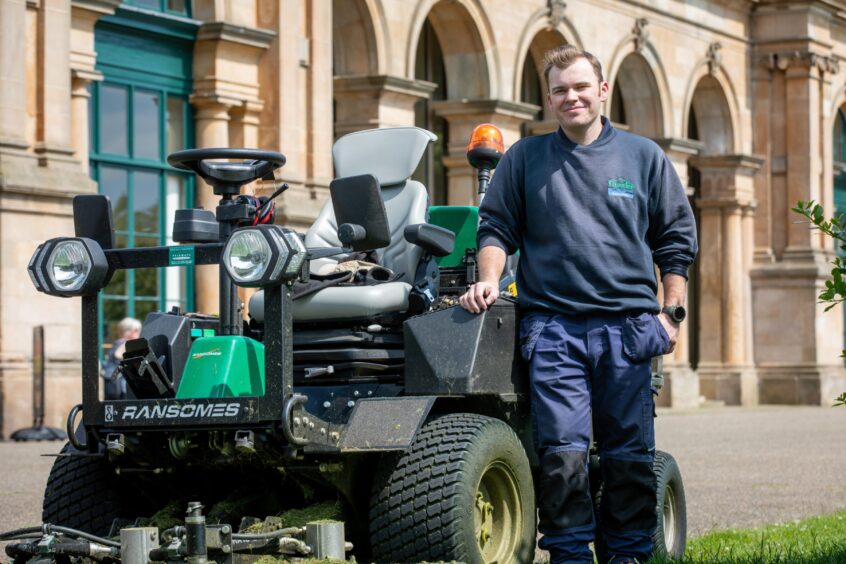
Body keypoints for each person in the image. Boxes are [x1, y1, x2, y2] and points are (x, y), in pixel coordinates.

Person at [459, 44, 697, 563]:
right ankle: (569, 554)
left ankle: (628, 553)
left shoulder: (643, 157)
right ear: (549, 98)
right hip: (555, 330)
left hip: (628, 329)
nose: (572, 97)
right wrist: (490, 281)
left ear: (602, 90)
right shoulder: (525, 157)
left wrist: (671, 314)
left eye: (581, 87)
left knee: (628, 456)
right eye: (561, 90)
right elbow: (496, 228)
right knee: (562, 455)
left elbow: (675, 239)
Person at [103, 316, 142, 400]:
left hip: (112, 385)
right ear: (131, 331)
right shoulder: (126, 344)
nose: (139, 333)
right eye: (137, 330)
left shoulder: (117, 342)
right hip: (121, 387)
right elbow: (118, 356)